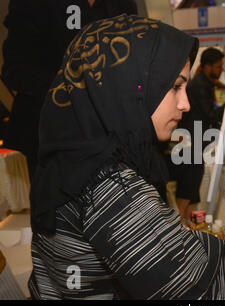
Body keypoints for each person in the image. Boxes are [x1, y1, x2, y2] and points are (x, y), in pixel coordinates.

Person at [28, 15, 225, 300]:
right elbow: (213, 288)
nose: (185, 104)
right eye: (174, 88)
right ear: (130, 88)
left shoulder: (72, 153)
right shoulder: (111, 187)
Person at [1, 0, 137, 181]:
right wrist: (76, 88)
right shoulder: (34, 4)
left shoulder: (121, 4)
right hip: (48, 138)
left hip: (111, 137)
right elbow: (15, 70)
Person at [173, 47, 225, 222]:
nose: (221, 70)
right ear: (206, 66)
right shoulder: (199, 86)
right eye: (218, 67)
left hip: (195, 143)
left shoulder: (205, 83)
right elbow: (210, 114)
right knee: (189, 188)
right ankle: (182, 225)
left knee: (193, 189)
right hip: (191, 144)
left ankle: (187, 224)